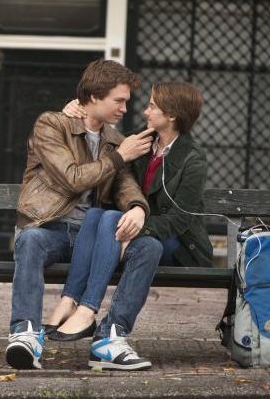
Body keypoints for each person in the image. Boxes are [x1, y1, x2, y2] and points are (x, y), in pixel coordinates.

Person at [6, 59, 162, 372]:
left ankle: (110, 338)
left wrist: (136, 207)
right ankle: (25, 333)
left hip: (91, 236)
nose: (124, 108)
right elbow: (72, 178)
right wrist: (120, 156)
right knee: (31, 240)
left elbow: (126, 186)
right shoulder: (52, 125)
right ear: (92, 97)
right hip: (50, 228)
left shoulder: (116, 141)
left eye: (126, 101)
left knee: (149, 248)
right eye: (118, 100)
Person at [47, 81, 212, 367]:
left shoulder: (192, 159)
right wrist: (75, 111)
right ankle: (89, 316)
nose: (145, 111)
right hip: (137, 233)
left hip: (178, 242)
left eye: (152, 106)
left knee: (143, 242)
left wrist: (138, 226)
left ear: (171, 115)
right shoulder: (143, 143)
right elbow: (105, 156)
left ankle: (88, 311)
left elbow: (181, 220)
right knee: (101, 215)